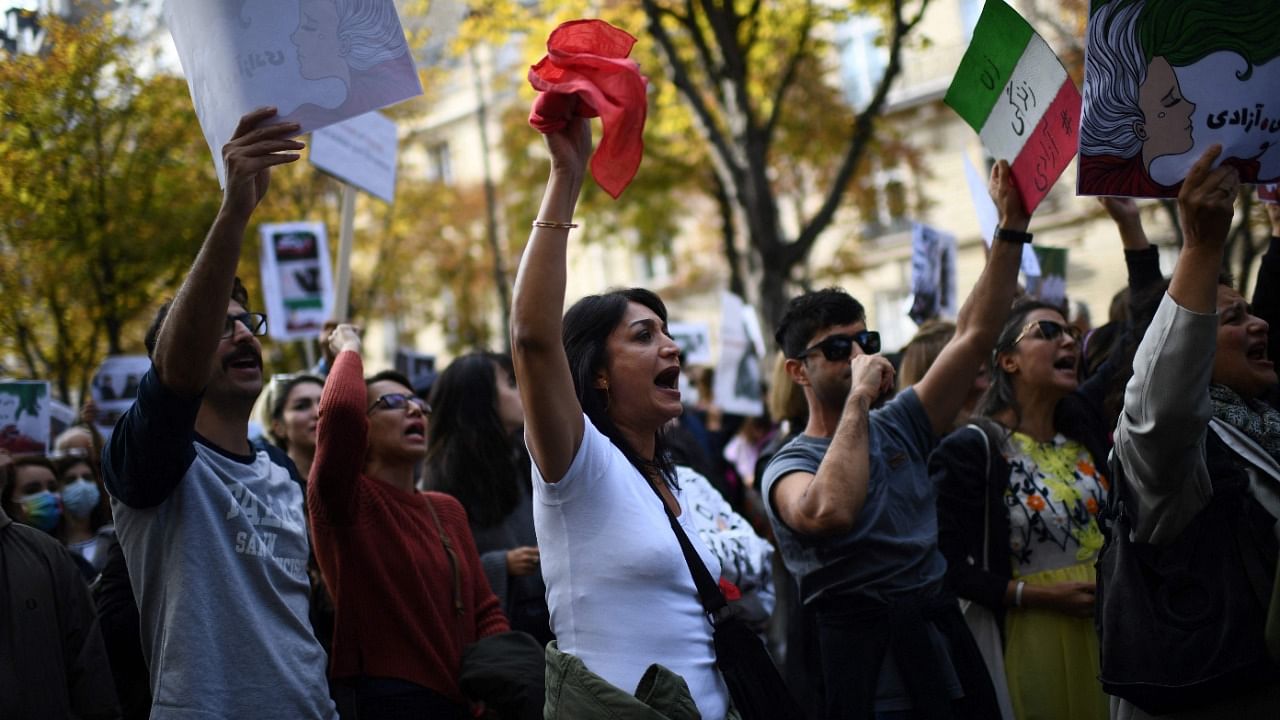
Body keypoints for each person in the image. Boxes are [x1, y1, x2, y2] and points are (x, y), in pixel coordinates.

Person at [761, 161, 1026, 719]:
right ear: (798, 372)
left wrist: (1011, 229)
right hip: (870, 669)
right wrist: (858, 398)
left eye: (867, 340)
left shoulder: (902, 419)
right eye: (838, 349)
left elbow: (975, 335)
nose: (859, 356)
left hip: (942, 641)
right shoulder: (786, 463)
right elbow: (828, 511)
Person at [101, 107, 337, 719]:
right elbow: (175, 381)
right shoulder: (151, 459)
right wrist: (234, 211)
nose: (243, 336)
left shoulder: (283, 471)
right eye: (219, 327)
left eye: (248, 323)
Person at [510, 115, 731, 718]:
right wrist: (566, 175)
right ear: (599, 373)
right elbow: (532, 338)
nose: (672, 348)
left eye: (668, 332)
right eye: (643, 335)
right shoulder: (579, 466)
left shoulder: (671, 477)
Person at [1101, 145, 1280, 718]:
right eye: (1232, 318)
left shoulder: (1267, 421)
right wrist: (1201, 247)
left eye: (1253, 311)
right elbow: (1166, 404)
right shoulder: (1168, 452)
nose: (1260, 323)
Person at [310, 326, 509, 718]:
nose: (415, 409)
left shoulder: (447, 509)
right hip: (390, 701)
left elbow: (484, 608)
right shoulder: (343, 499)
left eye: (419, 403)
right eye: (393, 402)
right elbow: (340, 413)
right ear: (363, 428)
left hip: (467, 701)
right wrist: (348, 349)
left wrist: (498, 675)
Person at [930, 301, 1112, 720]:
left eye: (1069, 333)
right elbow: (946, 566)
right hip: (1033, 633)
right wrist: (1039, 597)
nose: (1067, 339)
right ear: (1007, 360)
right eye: (1047, 331)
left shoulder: (1083, 434)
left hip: (1112, 630)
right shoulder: (972, 449)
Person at [1079, 0, 1280, 196]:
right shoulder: (1115, 180)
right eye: (1171, 100)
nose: (1190, 106)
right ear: (1140, 128)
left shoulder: (1250, 162)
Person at [426, 351, 551, 645]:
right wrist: (501, 563)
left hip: (545, 613)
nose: (522, 391)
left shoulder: (523, 454)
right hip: (506, 630)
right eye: (510, 383)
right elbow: (441, 569)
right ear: (480, 399)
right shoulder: (445, 472)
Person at [0, 449, 119, 719]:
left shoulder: (47, 555)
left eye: (53, 487)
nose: (50, 496)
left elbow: (88, 667)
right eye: (33, 488)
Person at [55, 452, 115, 575]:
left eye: (87, 478)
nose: (81, 485)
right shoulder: (49, 545)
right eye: (70, 480)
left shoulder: (114, 536)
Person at [266, 373, 325, 481]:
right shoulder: (270, 486)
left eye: (324, 404)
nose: (318, 413)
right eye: (301, 406)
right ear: (278, 427)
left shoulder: (352, 476)